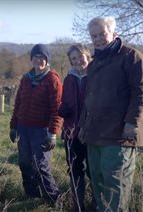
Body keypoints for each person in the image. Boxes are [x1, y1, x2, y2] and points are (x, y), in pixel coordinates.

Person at [78, 16, 143, 211]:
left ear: (113, 33)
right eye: (93, 36)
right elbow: (89, 97)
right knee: (98, 184)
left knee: (115, 188)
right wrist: (83, 126)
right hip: (95, 134)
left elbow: (140, 91)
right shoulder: (95, 62)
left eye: (102, 34)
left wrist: (132, 122)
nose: (97, 39)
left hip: (119, 135)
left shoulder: (131, 57)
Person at [9, 44, 62, 203]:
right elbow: (18, 103)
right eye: (36, 57)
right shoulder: (26, 78)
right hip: (23, 128)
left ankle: (54, 200)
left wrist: (52, 133)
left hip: (41, 130)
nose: (39, 60)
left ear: (47, 60)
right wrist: (13, 125)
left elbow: (57, 109)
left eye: (42, 57)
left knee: (40, 166)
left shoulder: (52, 79)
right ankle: (32, 196)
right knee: (24, 163)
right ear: (31, 59)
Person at [59, 44, 94, 211]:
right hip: (71, 132)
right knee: (74, 169)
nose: (78, 61)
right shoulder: (68, 78)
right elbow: (66, 101)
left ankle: (97, 205)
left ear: (88, 56)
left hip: (92, 133)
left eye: (81, 57)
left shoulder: (96, 76)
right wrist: (63, 109)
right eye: (74, 58)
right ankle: (77, 206)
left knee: (94, 171)